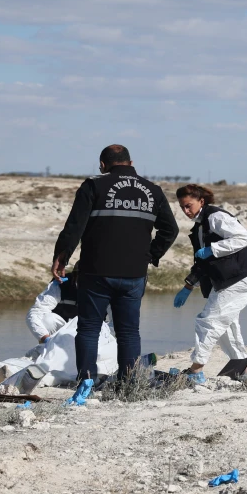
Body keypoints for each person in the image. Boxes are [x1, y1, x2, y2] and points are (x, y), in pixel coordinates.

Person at [52, 144, 179, 402]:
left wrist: (61, 257)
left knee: (88, 329)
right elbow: (171, 230)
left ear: (102, 165)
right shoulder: (152, 190)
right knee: (128, 332)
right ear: (131, 162)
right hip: (134, 273)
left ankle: (86, 380)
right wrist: (151, 254)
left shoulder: (93, 186)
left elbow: (74, 227)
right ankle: (129, 387)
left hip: (96, 271)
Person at [173, 184, 247, 382]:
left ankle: (196, 371)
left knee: (208, 321)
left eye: (188, 206)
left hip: (241, 277)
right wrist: (188, 286)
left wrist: (213, 249)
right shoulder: (200, 226)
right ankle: (245, 370)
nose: (185, 211)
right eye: (182, 207)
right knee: (225, 325)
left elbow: (242, 237)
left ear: (201, 201)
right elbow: (201, 262)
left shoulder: (215, 217)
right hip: (229, 280)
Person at [26, 265, 79, 342]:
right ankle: (48, 345)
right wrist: (45, 339)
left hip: (91, 330)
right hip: (62, 329)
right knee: (47, 320)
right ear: (75, 276)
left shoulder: (102, 288)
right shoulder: (60, 284)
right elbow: (36, 313)